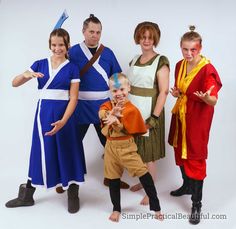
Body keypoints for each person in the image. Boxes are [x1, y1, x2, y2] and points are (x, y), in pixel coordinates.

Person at [5, 28, 86, 214]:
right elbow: (14, 83)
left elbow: (73, 98)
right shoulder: (39, 64)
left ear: (68, 46)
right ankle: (26, 196)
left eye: (61, 45)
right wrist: (25, 75)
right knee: (40, 151)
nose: (57, 48)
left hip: (65, 115)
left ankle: (73, 193)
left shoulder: (72, 68)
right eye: (54, 44)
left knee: (68, 149)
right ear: (50, 45)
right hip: (43, 115)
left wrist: (64, 121)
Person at [168, 25, 222, 225]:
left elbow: (213, 99)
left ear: (200, 48)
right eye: (185, 49)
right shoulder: (179, 65)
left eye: (194, 49)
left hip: (198, 118)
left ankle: (196, 203)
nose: (189, 53)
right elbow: (182, 90)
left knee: (195, 155)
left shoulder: (208, 69)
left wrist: (208, 98)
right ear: (181, 47)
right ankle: (187, 185)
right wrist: (177, 93)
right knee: (179, 149)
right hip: (181, 114)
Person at [68, 14, 129, 189]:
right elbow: (63, 73)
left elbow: (116, 77)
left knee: (111, 143)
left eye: (98, 32)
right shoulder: (72, 52)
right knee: (72, 143)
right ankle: (67, 179)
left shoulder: (108, 52)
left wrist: (120, 100)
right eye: (91, 31)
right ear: (83, 31)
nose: (95, 35)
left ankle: (111, 178)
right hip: (79, 106)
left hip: (103, 107)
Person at [99, 73, 163, 222]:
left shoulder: (132, 110)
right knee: (113, 179)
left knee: (143, 173)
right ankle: (116, 209)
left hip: (127, 148)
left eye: (122, 89)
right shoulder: (109, 105)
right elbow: (101, 112)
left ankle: (156, 207)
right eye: (115, 91)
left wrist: (116, 120)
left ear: (129, 88)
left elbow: (128, 129)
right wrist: (110, 113)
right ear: (110, 91)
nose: (119, 93)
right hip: (110, 148)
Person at [126, 21, 170, 205]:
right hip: (133, 110)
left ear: (155, 39)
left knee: (148, 154)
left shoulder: (161, 61)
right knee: (137, 152)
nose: (146, 40)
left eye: (150, 37)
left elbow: (164, 91)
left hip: (150, 112)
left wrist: (153, 118)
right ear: (138, 38)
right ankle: (144, 184)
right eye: (143, 37)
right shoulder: (135, 59)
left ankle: (151, 193)